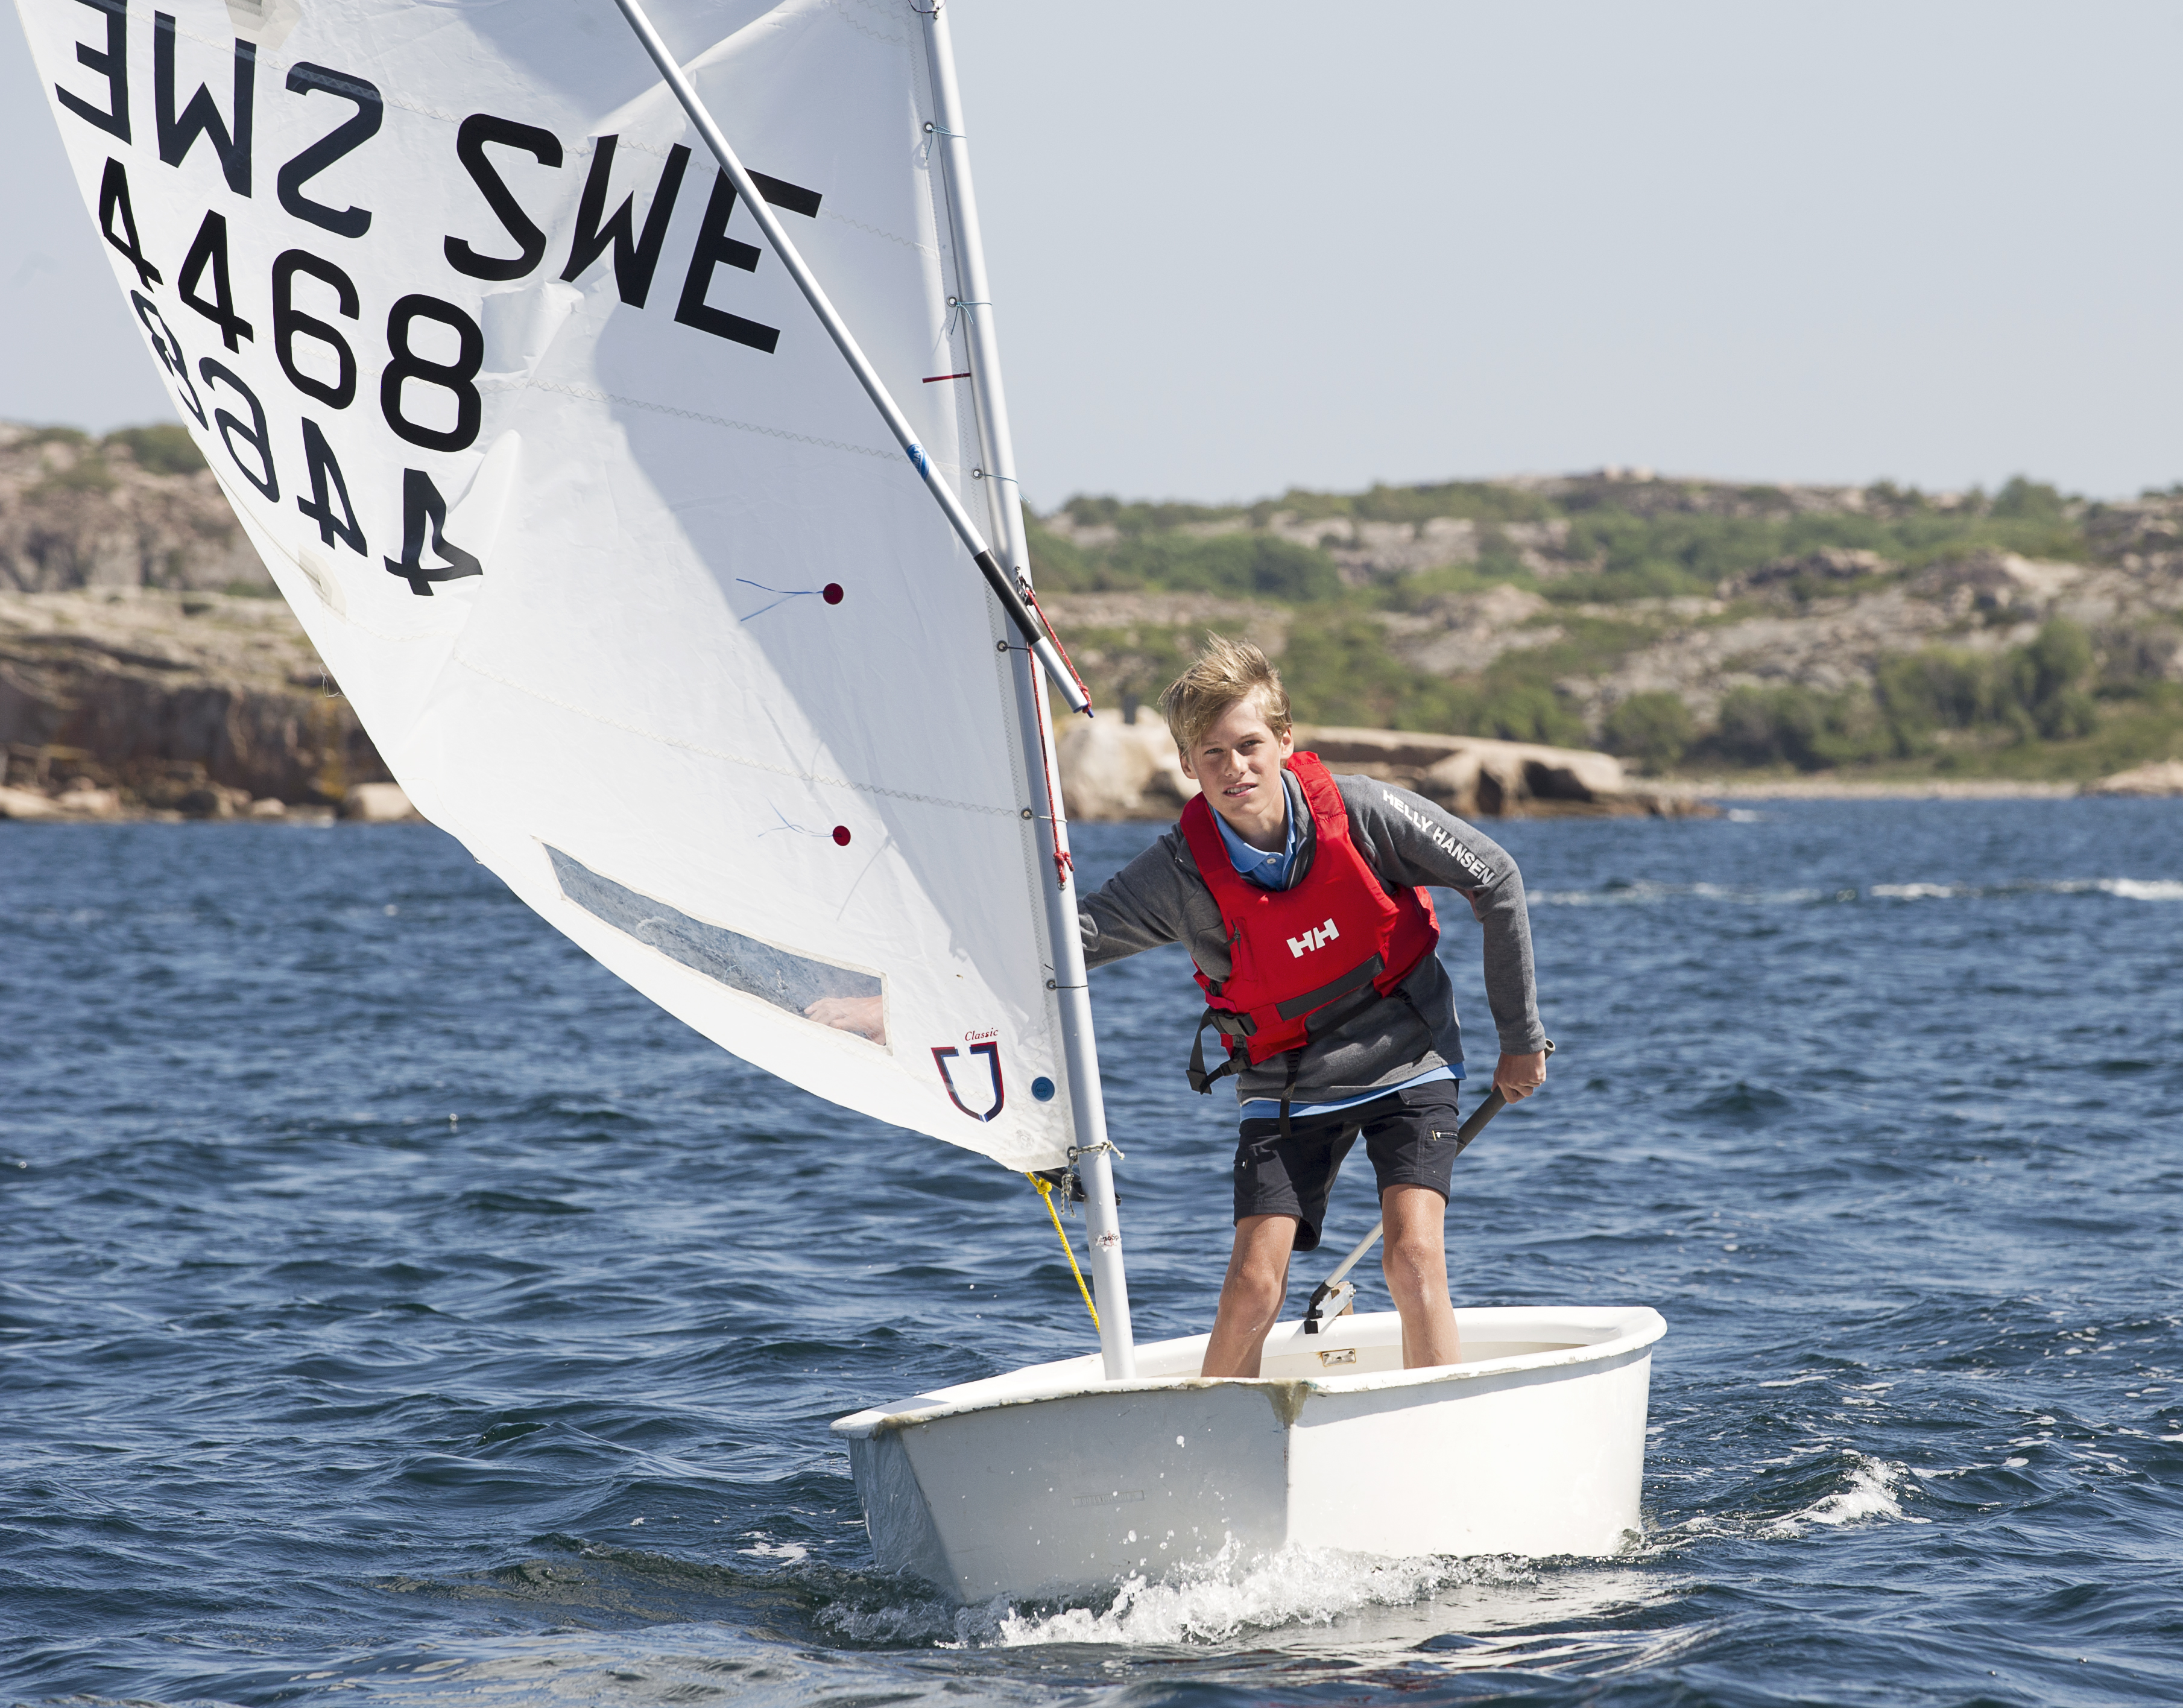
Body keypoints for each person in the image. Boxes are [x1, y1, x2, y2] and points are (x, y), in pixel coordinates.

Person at [1078, 636, 1547, 1377]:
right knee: (1252, 1286)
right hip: (1283, 1079)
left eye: (1249, 745)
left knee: (1412, 1255)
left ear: (1285, 740)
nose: (1235, 768)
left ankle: (1435, 1430)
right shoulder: (1176, 873)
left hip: (1408, 1055)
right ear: (1185, 767)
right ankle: (1208, 1453)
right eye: (1212, 755)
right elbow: (1068, 942)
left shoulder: (1362, 812)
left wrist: (1519, 1038)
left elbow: (1495, 876)